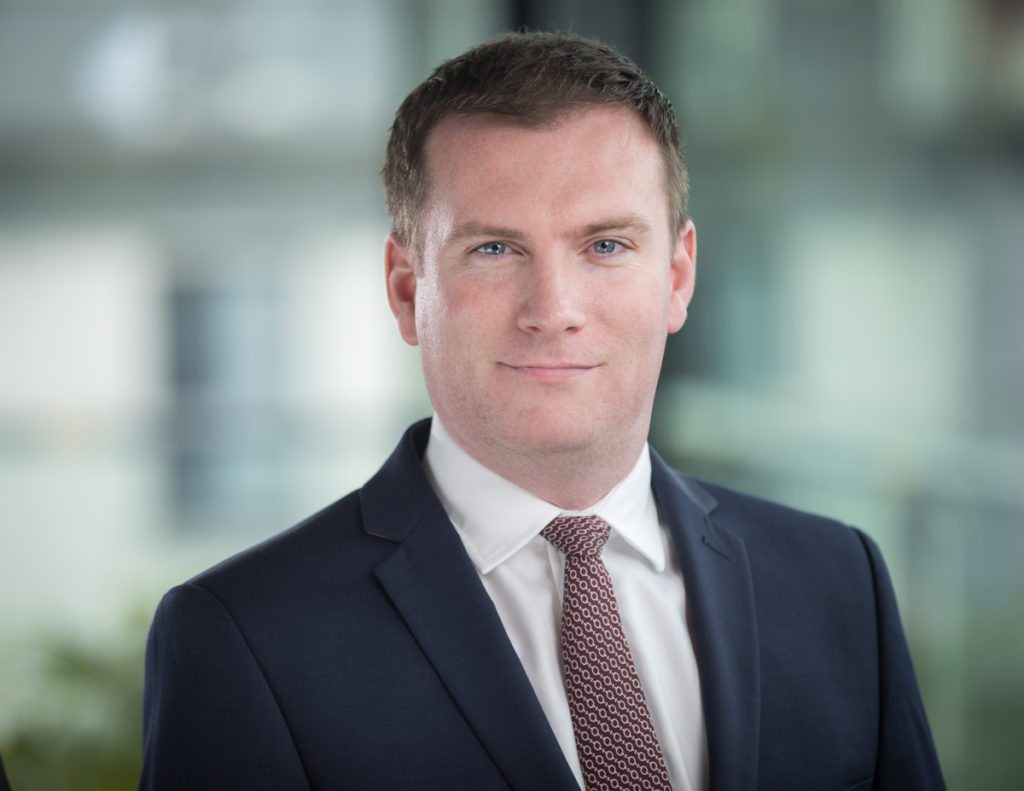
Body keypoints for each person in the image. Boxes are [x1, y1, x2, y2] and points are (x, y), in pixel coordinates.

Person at [139, 31, 945, 790]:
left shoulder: (839, 582)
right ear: (406, 288)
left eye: (605, 246)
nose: (553, 309)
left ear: (678, 276)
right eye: (494, 249)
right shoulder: (243, 635)